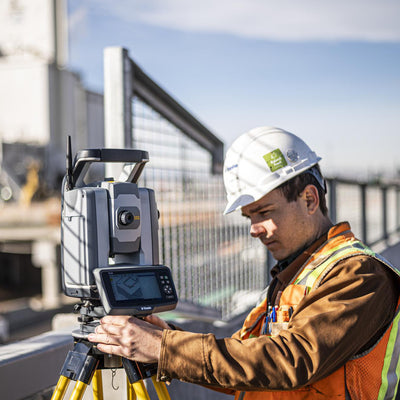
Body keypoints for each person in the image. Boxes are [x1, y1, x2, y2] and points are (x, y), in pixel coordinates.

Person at [88, 126, 400, 399]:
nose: (254, 229)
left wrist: (164, 347)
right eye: (249, 217)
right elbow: (245, 362)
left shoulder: (358, 274)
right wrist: (169, 336)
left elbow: (289, 360)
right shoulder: (295, 274)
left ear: (309, 199)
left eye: (264, 212)